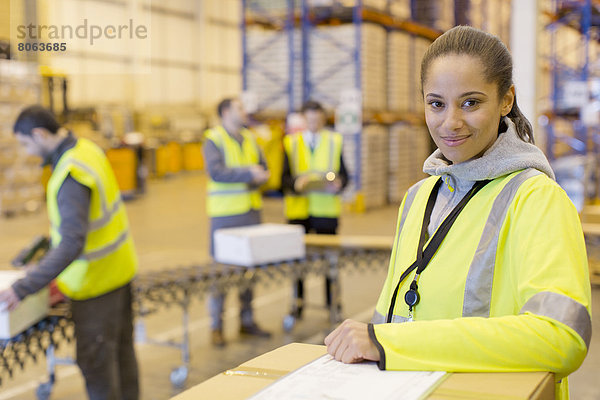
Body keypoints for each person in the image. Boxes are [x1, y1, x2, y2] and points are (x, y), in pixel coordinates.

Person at [324, 26, 591, 400]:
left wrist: (390, 345)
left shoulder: (537, 199)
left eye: (470, 103)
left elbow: (562, 336)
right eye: (436, 104)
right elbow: (396, 316)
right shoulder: (418, 198)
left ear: (505, 101)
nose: (450, 122)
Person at [0, 105, 139, 400]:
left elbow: (72, 243)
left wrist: (23, 287)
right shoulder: (86, 150)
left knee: (98, 365)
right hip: (119, 272)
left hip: (95, 286)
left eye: (26, 144)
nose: (27, 153)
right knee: (122, 355)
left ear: (39, 134)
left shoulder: (70, 174)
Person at [204, 98, 272, 346]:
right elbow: (216, 172)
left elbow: (262, 167)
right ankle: (216, 326)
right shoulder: (214, 139)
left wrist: (261, 176)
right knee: (221, 272)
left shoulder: (251, 138)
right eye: (239, 108)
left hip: (250, 212)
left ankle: (247, 320)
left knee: (247, 271)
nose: (244, 112)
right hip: (225, 216)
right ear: (225, 112)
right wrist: (248, 174)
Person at [281, 100, 349, 318]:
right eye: (309, 119)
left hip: (325, 212)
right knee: (297, 262)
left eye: (317, 119)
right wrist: (295, 184)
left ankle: (332, 303)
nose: (313, 123)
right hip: (298, 212)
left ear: (322, 119)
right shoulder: (290, 143)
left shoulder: (334, 141)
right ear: (304, 119)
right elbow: (282, 180)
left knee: (329, 262)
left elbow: (345, 176)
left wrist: (339, 183)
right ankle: (298, 303)